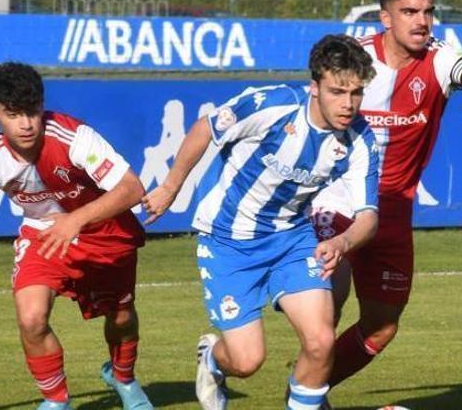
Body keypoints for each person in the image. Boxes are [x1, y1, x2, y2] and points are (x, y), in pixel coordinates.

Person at [142, 34, 381, 410]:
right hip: (227, 242)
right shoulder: (272, 105)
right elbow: (206, 128)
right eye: (338, 91)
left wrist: (341, 243)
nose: (348, 104)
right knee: (247, 361)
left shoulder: (360, 139)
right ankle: (211, 358)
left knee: (320, 342)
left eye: (356, 93)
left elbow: (368, 217)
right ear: (314, 87)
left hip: (293, 238)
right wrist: (171, 187)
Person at [311, 0, 462, 391]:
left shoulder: (439, 59)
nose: (422, 21)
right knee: (328, 305)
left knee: (381, 328)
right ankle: (303, 398)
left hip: (393, 209)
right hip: (338, 199)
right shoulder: (353, 60)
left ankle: (308, 389)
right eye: (410, 11)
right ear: (385, 17)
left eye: (428, 11)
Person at [0, 62, 154, 410]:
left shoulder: (75, 138)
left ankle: (123, 378)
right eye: (14, 114)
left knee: (121, 318)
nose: (27, 124)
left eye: (32, 112)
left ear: (42, 105)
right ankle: (56, 401)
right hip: (43, 236)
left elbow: (132, 188)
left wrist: (76, 220)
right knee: (31, 318)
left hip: (103, 232)